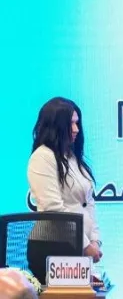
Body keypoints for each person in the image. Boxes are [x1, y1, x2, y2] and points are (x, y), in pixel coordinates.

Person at [26, 97, 102, 284]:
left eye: (77, 123)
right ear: (56, 126)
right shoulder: (42, 157)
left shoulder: (72, 157)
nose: (76, 129)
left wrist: (95, 240)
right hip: (52, 247)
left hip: (79, 248)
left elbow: (88, 203)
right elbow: (54, 210)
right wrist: (85, 246)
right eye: (71, 124)